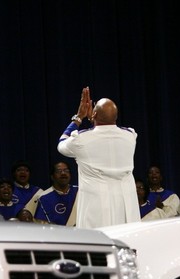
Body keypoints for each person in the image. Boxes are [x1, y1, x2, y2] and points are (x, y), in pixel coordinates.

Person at [57, 86, 140, 228]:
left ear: (94, 115)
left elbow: (61, 144)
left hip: (97, 209)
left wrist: (78, 118)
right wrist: (95, 119)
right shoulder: (130, 136)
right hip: (126, 208)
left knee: (97, 246)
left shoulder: (81, 140)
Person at [34, 161, 79, 226]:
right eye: (59, 171)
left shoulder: (79, 191)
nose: (63, 173)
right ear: (52, 176)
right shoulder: (44, 197)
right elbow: (41, 222)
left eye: (66, 170)